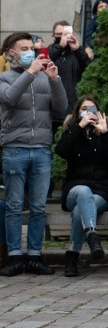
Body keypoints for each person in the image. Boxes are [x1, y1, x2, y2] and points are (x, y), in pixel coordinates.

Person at [0, 31, 68, 276]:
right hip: (14, 148)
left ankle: (36, 255)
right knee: (15, 206)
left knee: (39, 207)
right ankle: (15, 256)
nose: (31, 51)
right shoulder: (4, 78)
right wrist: (30, 73)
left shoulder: (42, 78)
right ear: (12, 53)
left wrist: (54, 80)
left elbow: (61, 108)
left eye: (32, 47)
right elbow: (9, 98)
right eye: (25, 48)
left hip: (41, 148)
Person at [55, 96, 108, 277]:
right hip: (75, 189)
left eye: (92, 109)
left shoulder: (106, 131)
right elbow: (61, 150)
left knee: (79, 211)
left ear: (98, 113)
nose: (88, 112)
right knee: (83, 192)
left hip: (102, 191)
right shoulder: (73, 131)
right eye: (84, 108)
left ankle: (72, 256)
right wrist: (79, 126)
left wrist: (106, 133)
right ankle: (92, 236)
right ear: (78, 112)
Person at [48, 21, 91, 125]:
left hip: (74, 110)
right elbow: (45, 65)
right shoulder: (48, 51)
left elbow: (89, 70)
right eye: (59, 35)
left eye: (66, 34)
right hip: (53, 111)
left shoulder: (78, 52)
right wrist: (60, 46)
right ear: (53, 36)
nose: (63, 37)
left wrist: (78, 49)